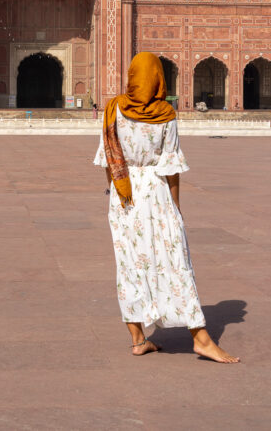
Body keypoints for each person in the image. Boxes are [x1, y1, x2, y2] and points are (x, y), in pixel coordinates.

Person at [94, 52, 239, 362]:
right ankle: (200, 338)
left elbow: (109, 159)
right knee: (174, 261)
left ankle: (138, 339)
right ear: (159, 78)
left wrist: (118, 191)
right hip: (156, 192)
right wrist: (175, 206)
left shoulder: (113, 109)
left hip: (124, 196)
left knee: (130, 265)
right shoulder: (166, 113)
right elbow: (170, 166)